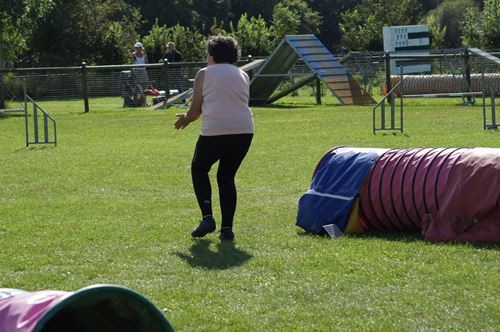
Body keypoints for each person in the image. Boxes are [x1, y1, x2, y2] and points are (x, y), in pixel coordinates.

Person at [174, 35, 254, 241]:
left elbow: (194, 112)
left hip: (215, 130)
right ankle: (227, 229)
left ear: (212, 55)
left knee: (199, 168)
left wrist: (184, 120)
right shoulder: (243, 75)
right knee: (226, 177)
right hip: (244, 130)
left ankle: (207, 217)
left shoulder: (204, 73)